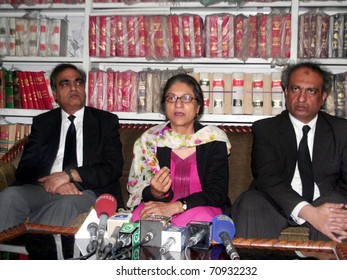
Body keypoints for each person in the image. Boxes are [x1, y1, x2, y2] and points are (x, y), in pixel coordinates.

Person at [232, 62, 347, 251]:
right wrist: (309, 213)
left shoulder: (340, 130)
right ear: (286, 92)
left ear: (323, 98)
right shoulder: (266, 129)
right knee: (251, 202)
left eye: (311, 91)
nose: (302, 98)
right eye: (296, 89)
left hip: (326, 204)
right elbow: (268, 178)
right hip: (276, 205)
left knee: (338, 206)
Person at [0, 63, 123, 258]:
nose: (74, 88)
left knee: (67, 204)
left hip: (86, 189)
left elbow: (112, 167)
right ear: (55, 93)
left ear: (84, 89)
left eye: (78, 82)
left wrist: (70, 176)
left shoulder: (105, 121)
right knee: (10, 196)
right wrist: (54, 183)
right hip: (46, 188)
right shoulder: (43, 122)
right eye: (65, 84)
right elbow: (26, 167)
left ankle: (41, 252)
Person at [126, 73, 231, 227]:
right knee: (140, 218)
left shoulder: (214, 139)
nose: (178, 104)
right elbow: (142, 191)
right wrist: (156, 192)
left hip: (201, 208)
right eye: (171, 98)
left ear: (198, 107)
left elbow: (217, 193)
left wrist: (176, 207)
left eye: (186, 98)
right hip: (160, 207)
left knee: (200, 221)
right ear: (164, 106)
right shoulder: (150, 141)